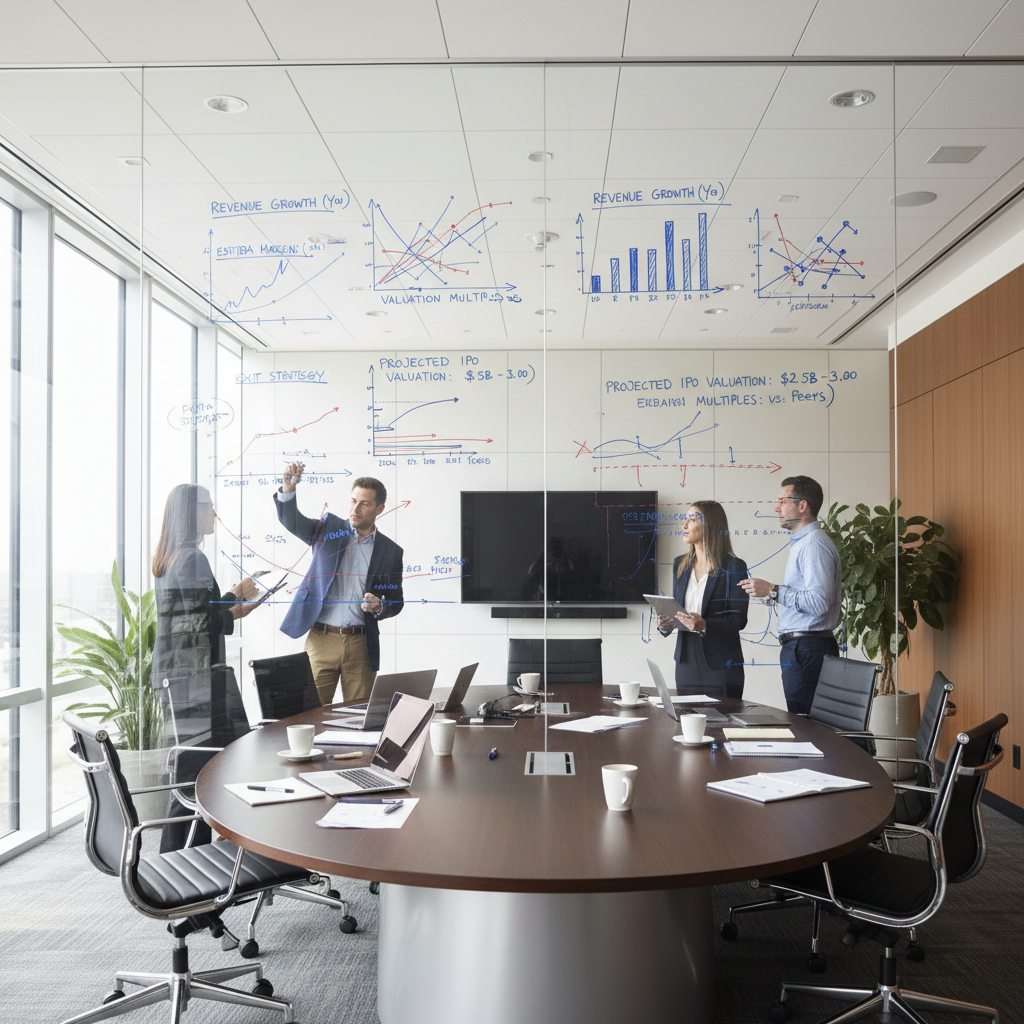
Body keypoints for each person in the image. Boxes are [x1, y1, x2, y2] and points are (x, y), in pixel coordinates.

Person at [152, 483, 260, 851]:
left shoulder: (172, 556)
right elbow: (199, 623)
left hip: (177, 677)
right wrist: (237, 603)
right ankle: (187, 878)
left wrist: (233, 603)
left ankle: (177, 872)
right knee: (198, 777)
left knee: (189, 775)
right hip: (194, 679)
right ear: (192, 513)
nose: (214, 513)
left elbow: (195, 613)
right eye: (208, 507)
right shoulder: (193, 558)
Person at [275, 464, 404, 705]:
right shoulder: (328, 529)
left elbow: (396, 601)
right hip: (321, 639)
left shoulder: (390, 551)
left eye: (364, 503)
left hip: (361, 645)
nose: (355, 508)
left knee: (359, 718)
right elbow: (293, 521)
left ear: (380, 508)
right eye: (353, 501)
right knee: (310, 715)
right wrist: (288, 490)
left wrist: (380, 606)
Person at [738, 475, 841, 715]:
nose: (777, 508)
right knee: (805, 723)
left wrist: (774, 591)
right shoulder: (804, 543)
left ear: (802, 506)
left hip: (808, 649)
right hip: (803, 648)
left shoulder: (814, 544)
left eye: (782, 501)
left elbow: (819, 603)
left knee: (809, 727)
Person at [657, 501, 749, 700]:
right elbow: (680, 612)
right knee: (686, 723)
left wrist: (705, 624)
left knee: (721, 726)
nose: (684, 525)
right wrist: (666, 624)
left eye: (691, 519)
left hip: (721, 664)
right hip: (686, 662)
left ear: (709, 525)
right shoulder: (680, 565)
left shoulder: (734, 566)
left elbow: (738, 619)